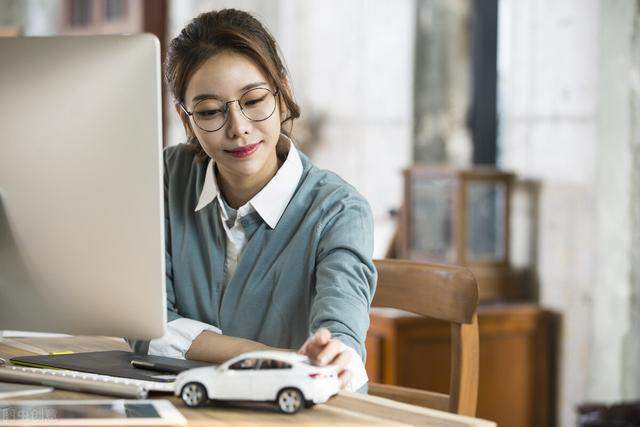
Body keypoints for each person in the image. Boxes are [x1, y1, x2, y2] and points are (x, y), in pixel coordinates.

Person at [130, 8, 376, 392]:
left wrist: (339, 355)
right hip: (186, 407)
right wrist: (258, 355)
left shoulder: (339, 210)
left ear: (281, 93)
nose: (239, 128)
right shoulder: (169, 175)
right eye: (210, 111)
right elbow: (145, 326)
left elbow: (342, 332)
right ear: (185, 119)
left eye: (254, 100)